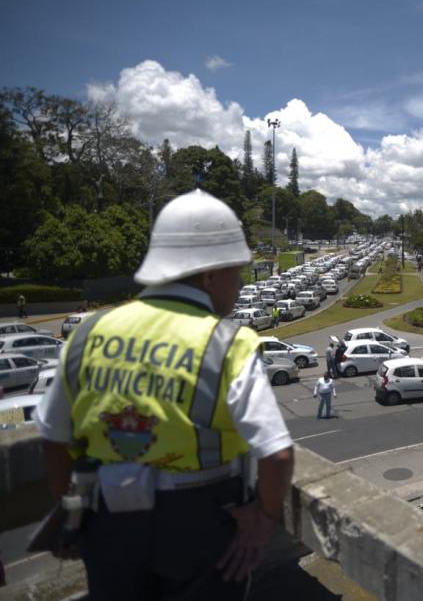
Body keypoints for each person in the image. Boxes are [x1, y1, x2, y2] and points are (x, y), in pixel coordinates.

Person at [33, 189, 294, 599]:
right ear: (209, 274)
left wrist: (72, 515)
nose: (240, 284)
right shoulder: (228, 343)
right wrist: (264, 520)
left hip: (107, 524)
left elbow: (52, 439)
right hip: (201, 529)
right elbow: (277, 455)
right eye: (236, 272)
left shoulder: (87, 333)